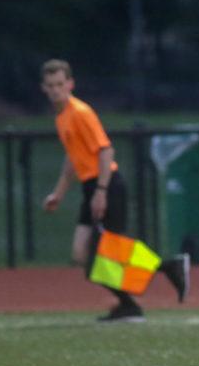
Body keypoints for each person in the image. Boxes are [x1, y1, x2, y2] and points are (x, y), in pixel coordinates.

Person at [40, 59, 189, 322]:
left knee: (107, 255)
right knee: (82, 254)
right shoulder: (62, 117)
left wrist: (101, 191)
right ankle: (164, 271)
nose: (55, 90)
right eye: (50, 85)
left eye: (60, 84)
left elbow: (106, 150)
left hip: (106, 184)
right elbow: (72, 159)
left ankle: (135, 300)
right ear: (43, 87)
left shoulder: (80, 112)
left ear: (70, 84)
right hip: (91, 186)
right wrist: (58, 194)